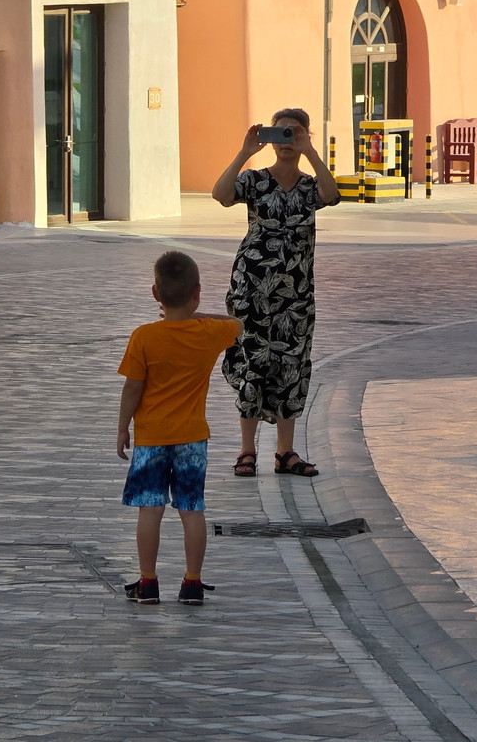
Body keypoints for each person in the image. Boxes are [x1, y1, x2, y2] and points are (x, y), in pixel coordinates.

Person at [211, 108, 340, 479]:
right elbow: (221, 194)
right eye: (281, 133)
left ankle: (286, 453)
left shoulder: (308, 186)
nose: (287, 141)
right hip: (251, 290)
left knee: (291, 366)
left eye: (294, 134)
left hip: (296, 294)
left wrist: (312, 152)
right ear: (270, 138)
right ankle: (247, 451)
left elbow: (331, 195)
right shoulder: (255, 180)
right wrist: (244, 151)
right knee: (252, 364)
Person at [116, 250, 242, 606]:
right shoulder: (209, 333)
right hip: (192, 438)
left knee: (150, 510)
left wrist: (123, 427)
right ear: (197, 292)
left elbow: (132, 388)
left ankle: (148, 582)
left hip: (151, 439)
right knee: (192, 509)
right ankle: (191, 583)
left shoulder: (143, 337)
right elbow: (238, 324)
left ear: (155, 294)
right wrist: (195, 313)